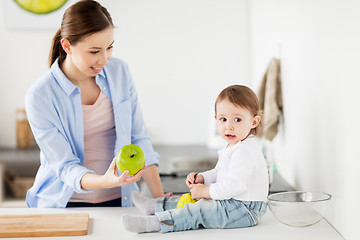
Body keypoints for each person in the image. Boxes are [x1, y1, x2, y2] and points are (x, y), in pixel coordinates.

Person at [25, 0, 170, 208]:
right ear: (67, 46)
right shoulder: (40, 96)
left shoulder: (119, 72)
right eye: (94, 51)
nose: (104, 59)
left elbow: (139, 138)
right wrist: (105, 181)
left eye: (109, 48)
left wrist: (159, 198)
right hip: (65, 204)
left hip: (121, 200)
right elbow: (65, 167)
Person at [123, 85, 269, 233]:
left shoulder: (244, 151)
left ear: (254, 122)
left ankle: (154, 223)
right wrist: (202, 178)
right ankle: (154, 206)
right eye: (223, 119)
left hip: (245, 210)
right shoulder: (234, 145)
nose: (228, 126)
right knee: (188, 200)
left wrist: (205, 192)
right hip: (233, 203)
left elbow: (234, 185)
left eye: (237, 119)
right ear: (216, 119)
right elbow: (219, 171)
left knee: (199, 209)